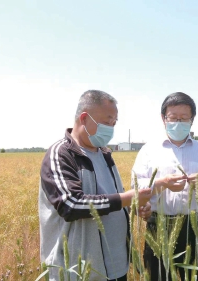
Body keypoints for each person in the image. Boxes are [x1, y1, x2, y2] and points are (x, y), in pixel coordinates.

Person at [39, 90, 152, 281]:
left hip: (116, 266)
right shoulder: (62, 154)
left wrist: (136, 206)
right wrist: (127, 198)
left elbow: (113, 198)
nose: (111, 128)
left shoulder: (105, 155)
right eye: (107, 122)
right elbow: (71, 205)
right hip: (79, 271)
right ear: (84, 118)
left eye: (114, 123)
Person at [132, 92, 198, 281]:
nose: (178, 123)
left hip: (197, 226)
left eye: (184, 118)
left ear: (192, 120)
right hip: (159, 225)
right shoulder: (149, 150)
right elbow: (136, 187)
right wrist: (161, 183)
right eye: (173, 118)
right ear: (163, 119)